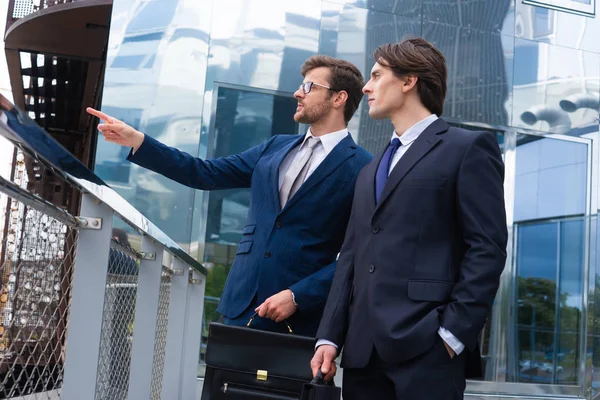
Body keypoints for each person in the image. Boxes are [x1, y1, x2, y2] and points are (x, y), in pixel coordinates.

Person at [87, 55, 372, 336]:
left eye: (309, 86)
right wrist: (139, 141)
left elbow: (360, 253)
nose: (298, 92)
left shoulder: (363, 167)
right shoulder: (275, 147)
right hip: (241, 303)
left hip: (301, 318)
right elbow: (204, 172)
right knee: (222, 383)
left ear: (339, 98)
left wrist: (299, 296)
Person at [311, 37, 508, 399]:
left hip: (427, 353)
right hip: (361, 355)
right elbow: (351, 257)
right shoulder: (370, 170)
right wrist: (329, 336)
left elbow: (487, 248)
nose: (366, 87)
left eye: (375, 75)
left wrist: (451, 335)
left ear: (408, 80)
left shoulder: (468, 148)